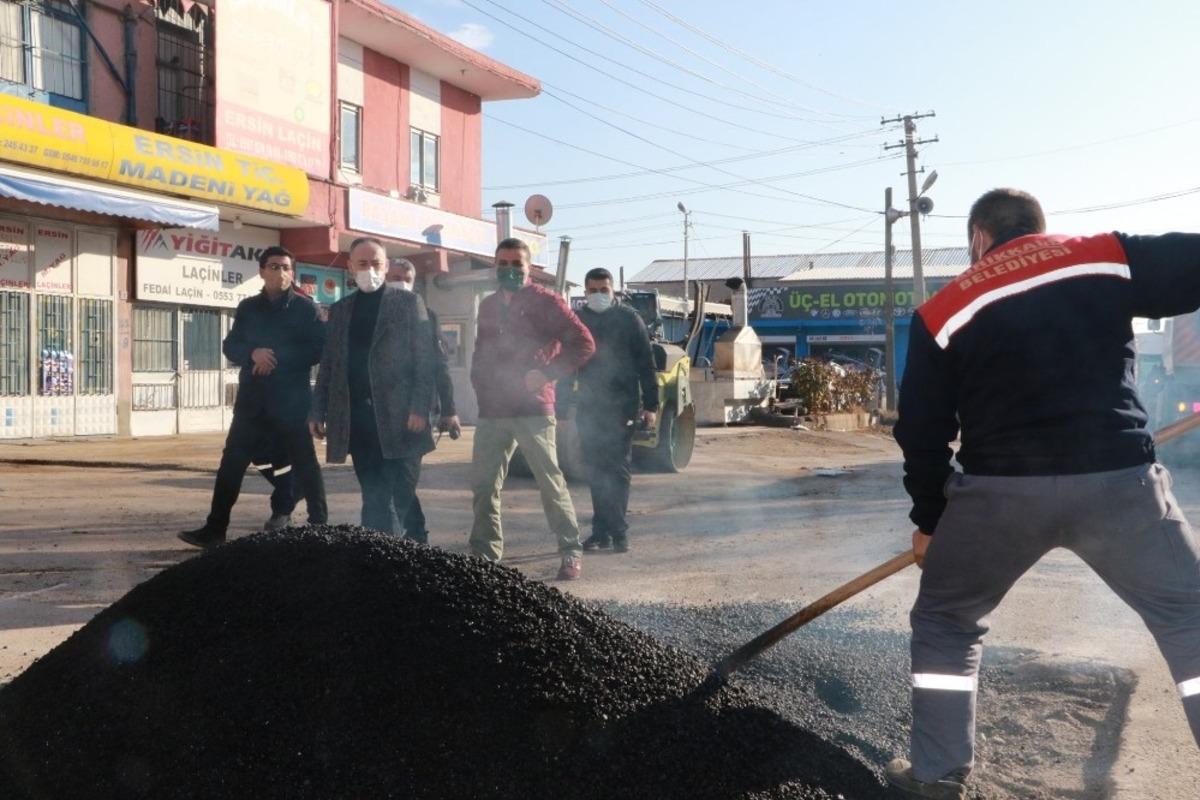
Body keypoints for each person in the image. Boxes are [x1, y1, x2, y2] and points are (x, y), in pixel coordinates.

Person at [887, 188, 1200, 799]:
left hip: (998, 494)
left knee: (947, 620)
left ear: (979, 237)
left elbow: (920, 432)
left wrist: (931, 520)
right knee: (1190, 616)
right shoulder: (1104, 257)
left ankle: (938, 776)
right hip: (1118, 484)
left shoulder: (943, 309)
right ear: (1039, 227)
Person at [179, 246, 327, 548]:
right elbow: (230, 346)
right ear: (261, 271)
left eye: (286, 268)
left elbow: (318, 350)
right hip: (252, 403)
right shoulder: (247, 308)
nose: (281, 273)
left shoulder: (306, 309)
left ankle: (319, 527)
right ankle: (214, 529)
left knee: (306, 462)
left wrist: (275, 358)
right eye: (274, 267)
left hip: (292, 402)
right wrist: (252, 353)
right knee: (232, 463)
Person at [469, 237, 595, 580]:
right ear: (495, 266)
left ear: (529, 268)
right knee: (484, 484)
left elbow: (584, 343)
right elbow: (482, 349)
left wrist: (547, 374)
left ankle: (570, 550)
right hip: (494, 409)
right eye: (503, 264)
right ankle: (484, 552)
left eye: (516, 265)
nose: (509, 270)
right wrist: (479, 384)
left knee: (549, 481)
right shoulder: (489, 305)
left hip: (533, 409)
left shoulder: (547, 302)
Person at [309, 238, 435, 534]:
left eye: (376, 264)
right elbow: (329, 364)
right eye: (362, 264)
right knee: (375, 496)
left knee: (399, 493)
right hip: (359, 422)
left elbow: (425, 360)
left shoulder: (407, 303)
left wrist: (420, 407)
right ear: (350, 268)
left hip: (402, 419)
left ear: (386, 266)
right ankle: (380, 557)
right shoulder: (340, 310)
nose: (370, 270)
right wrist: (317, 410)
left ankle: (410, 549)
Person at [574, 267, 658, 553]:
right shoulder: (578, 320)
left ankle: (619, 531)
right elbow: (566, 366)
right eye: (593, 290)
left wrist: (652, 405)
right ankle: (602, 532)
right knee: (595, 470)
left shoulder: (628, 319)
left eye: (604, 290)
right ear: (585, 292)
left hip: (622, 405)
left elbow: (647, 364)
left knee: (617, 468)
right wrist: (561, 408)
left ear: (614, 291)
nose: (598, 295)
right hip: (588, 406)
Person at [386, 257, 462, 543]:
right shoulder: (371, 313)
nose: (400, 282)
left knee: (404, 477)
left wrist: (450, 410)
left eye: (406, 278)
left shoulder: (426, 315)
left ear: (413, 281)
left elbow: (438, 366)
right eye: (394, 276)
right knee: (392, 480)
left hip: (416, 414)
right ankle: (416, 534)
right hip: (379, 414)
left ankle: (391, 543)